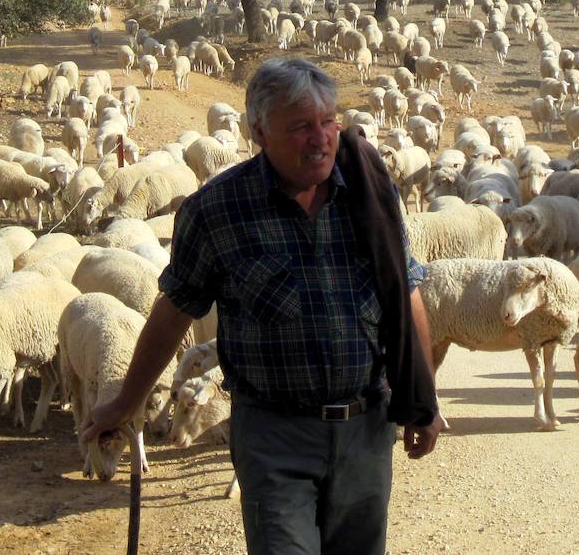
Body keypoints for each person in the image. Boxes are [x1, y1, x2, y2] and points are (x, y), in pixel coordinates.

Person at [80, 56, 441, 554]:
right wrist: (125, 402)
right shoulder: (216, 210)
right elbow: (174, 311)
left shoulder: (370, 197)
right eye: (300, 127)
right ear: (258, 130)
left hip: (364, 430)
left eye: (328, 122)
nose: (320, 138)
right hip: (274, 436)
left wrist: (423, 400)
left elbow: (407, 292)